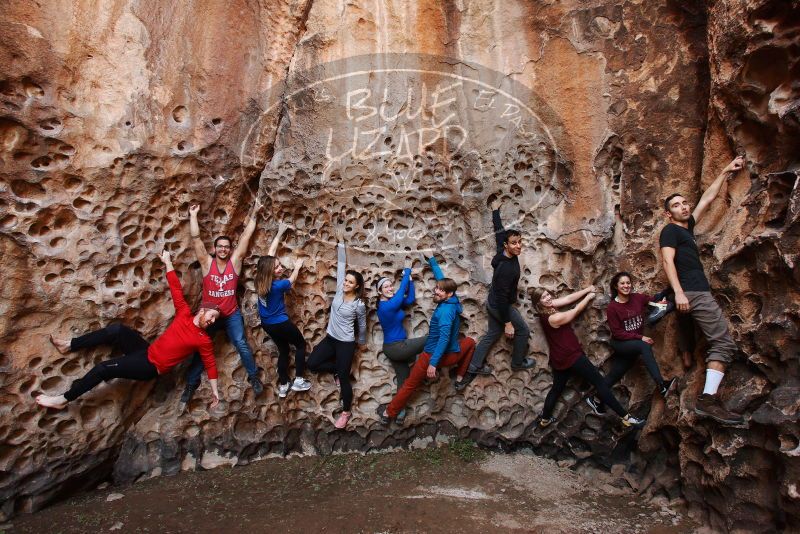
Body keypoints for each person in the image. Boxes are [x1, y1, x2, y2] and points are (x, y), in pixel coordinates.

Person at [36, 251, 221, 409]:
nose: (212, 320)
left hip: (149, 367)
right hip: (146, 351)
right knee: (117, 330)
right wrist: (168, 262)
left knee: (103, 369)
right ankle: (70, 345)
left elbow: (210, 364)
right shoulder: (184, 314)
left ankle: (64, 399)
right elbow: (176, 290)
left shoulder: (203, 340)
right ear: (202, 310)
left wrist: (215, 392)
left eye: (215, 319)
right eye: (211, 315)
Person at [660, 155, 746, 425]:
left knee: (692, 333)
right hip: (693, 292)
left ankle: (686, 354)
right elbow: (667, 261)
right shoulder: (670, 231)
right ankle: (708, 399)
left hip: (691, 293)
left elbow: (707, 199)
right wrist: (680, 293)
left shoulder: (687, 228)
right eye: (676, 205)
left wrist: (725, 171)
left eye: (684, 202)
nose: (683, 207)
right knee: (723, 343)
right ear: (668, 213)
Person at [377, 255, 476, 425]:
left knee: (409, 384)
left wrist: (433, 363)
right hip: (453, 356)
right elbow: (442, 281)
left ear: (448, 294)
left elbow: (443, 338)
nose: (435, 291)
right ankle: (460, 378)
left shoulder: (444, 312)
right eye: (437, 288)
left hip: (430, 356)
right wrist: (432, 261)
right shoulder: (453, 301)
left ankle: (388, 413)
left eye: (439, 290)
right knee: (471, 342)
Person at [181, 202, 262, 404]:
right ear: (215, 249)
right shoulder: (207, 264)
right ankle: (190, 385)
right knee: (202, 350)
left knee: (241, 343)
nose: (224, 250)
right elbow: (196, 239)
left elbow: (245, 238)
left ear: (230, 249)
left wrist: (255, 212)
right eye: (220, 247)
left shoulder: (235, 263)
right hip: (208, 316)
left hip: (230, 313)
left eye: (227, 247)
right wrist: (193, 216)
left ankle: (254, 378)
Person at [530, 285, 645, 429]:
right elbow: (575, 310)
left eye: (548, 294)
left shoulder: (546, 309)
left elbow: (568, 299)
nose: (548, 298)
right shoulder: (553, 317)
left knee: (557, 389)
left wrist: (586, 289)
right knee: (600, 383)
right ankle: (626, 417)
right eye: (544, 297)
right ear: (538, 303)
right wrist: (588, 297)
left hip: (559, 357)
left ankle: (545, 419)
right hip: (571, 355)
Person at [461, 198, 534, 388]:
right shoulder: (506, 269)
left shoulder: (503, 252)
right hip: (499, 305)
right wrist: (508, 323)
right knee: (523, 330)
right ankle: (518, 362)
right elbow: (502, 299)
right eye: (514, 243)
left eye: (519, 242)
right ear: (507, 246)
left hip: (492, 301)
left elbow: (499, 232)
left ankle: (474, 365)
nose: (518, 246)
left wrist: (495, 212)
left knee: (493, 333)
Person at [585, 272, 676, 415]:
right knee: (644, 346)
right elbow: (617, 333)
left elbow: (653, 300)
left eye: (628, 283)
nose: (626, 286)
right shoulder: (613, 307)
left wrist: (669, 290)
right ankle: (662, 385)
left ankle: (595, 399)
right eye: (622, 283)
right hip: (620, 343)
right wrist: (640, 337)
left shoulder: (637, 298)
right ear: (616, 286)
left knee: (616, 374)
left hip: (632, 342)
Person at [306, 227, 367, 429]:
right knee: (312, 363)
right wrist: (341, 243)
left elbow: (362, 324)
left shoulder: (359, 305)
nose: (346, 283)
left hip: (346, 344)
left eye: (350, 282)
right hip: (331, 338)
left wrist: (362, 341)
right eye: (346, 280)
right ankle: (338, 370)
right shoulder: (340, 291)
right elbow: (341, 265)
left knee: (344, 379)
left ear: (357, 286)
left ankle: (346, 412)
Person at [254, 222, 312, 399]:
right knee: (301, 345)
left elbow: (269, 256)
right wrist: (297, 266)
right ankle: (299, 379)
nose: (281, 268)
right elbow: (292, 280)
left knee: (284, 351)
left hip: (267, 324)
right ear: (271, 272)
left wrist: (279, 233)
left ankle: (284, 383)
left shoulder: (260, 280)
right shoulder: (279, 285)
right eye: (277, 268)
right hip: (281, 323)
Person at [375, 260, 426, 424]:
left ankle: (398, 412)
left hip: (397, 348)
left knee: (403, 383)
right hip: (395, 347)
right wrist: (406, 270)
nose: (390, 288)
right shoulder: (385, 307)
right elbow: (399, 297)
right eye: (386, 287)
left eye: (391, 286)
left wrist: (409, 280)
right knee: (430, 338)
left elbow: (409, 299)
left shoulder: (392, 303)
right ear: (379, 292)